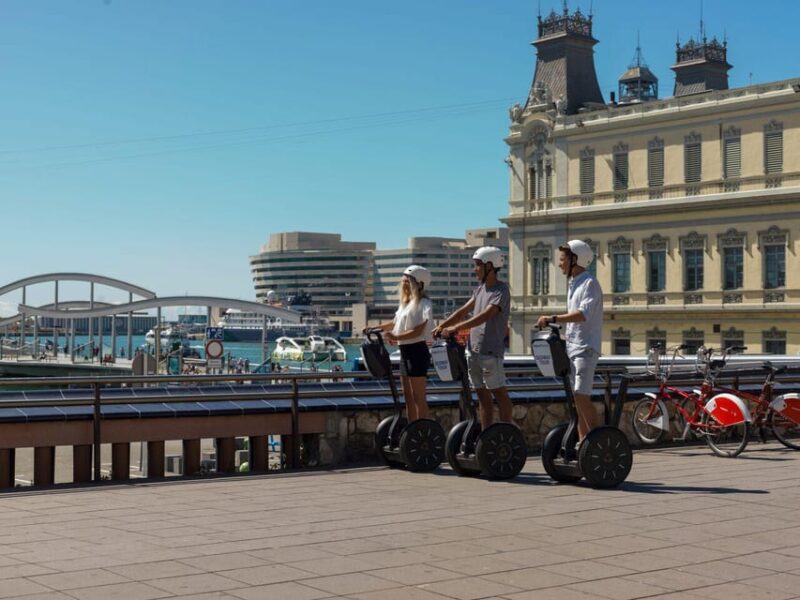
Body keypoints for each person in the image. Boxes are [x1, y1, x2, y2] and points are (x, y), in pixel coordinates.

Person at [433, 247, 511, 427]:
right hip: (473, 350)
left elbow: (485, 315)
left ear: (490, 266)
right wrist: (442, 325)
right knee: (482, 396)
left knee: (499, 392)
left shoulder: (501, 290)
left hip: (490, 352)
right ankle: (486, 434)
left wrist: (455, 328)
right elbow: (463, 311)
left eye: (478, 265)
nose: (475, 269)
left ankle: (508, 432)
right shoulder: (480, 290)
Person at [537, 240, 602, 442]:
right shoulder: (574, 284)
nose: (560, 264)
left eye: (563, 259)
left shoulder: (590, 283)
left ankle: (598, 441)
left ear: (575, 259)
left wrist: (553, 318)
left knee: (581, 396)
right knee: (577, 398)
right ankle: (585, 443)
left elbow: (582, 315)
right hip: (573, 348)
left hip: (585, 349)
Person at [363, 265, 434, 422]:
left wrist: (396, 337)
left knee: (418, 397)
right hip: (404, 352)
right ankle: (411, 428)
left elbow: (419, 330)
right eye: (403, 281)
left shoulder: (424, 303)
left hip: (417, 351)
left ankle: (421, 427)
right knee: (408, 397)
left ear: (419, 283)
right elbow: (393, 323)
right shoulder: (405, 304)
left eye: (408, 281)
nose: (404, 284)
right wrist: (373, 328)